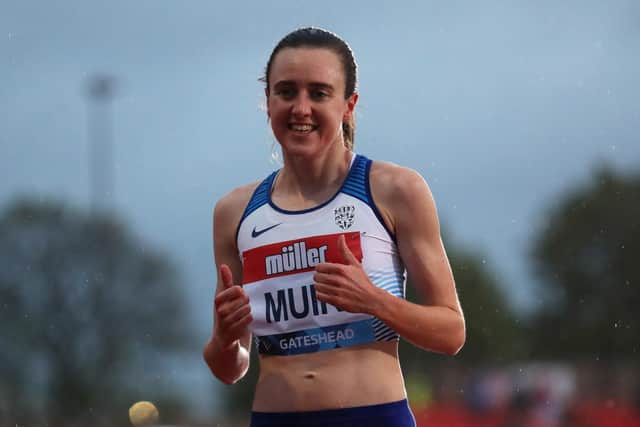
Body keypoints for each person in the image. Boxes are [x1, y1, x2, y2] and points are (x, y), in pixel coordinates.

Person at [203, 27, 466, 427]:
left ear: (349, 104)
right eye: (286, 92)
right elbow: (230, 367)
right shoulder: (234, 211)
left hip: (373, 416)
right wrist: (224, 338)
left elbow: (451, 332)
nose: (301, 108)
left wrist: (375, 302)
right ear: (268, 101)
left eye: (319, 93)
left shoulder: (395, 190)